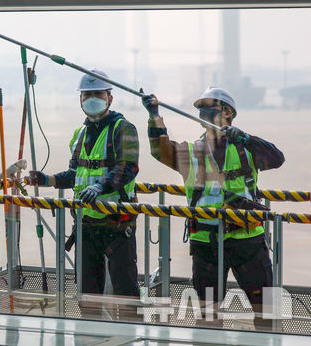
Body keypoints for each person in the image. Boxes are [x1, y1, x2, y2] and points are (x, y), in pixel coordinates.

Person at [142, 87, 284, 329]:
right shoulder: (191, 152)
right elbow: (159, 151)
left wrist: (246, 138)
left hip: (247, 240)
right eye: (199, 108)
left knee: (267, 311)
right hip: (206, 243)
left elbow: (277, 158)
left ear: (228, 111)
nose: (202, 111)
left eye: (208, 106)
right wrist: (154, 115)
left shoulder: (246, 149)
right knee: (209, 315)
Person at [28, 68, 141, 306]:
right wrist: (47, 180)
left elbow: (127, 167)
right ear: (80, 99)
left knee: (125, 291)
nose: (91, 99)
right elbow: (76, 174)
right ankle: (90, 338)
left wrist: (100, 187)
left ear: (110, 98)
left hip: (117, 224)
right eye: (86, 94)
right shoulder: (79, 134)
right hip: (86, 224)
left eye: (97, 94)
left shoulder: (123, 129)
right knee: (87, 294)